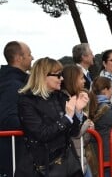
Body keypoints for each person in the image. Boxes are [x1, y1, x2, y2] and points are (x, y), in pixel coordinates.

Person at [16, 57, 88, 177]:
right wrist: (67, 118)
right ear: (44, 76)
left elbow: (73, 132)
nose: (62, 78)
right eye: (58, 75)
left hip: (68, 164)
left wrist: (78, 112)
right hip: (43, 166)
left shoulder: (60, 96)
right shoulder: (27, 101)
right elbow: (42, 134)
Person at [0, 41, 33, 177]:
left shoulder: (13, 81)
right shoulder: (13, 85)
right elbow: (8, 119)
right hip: (13, 157)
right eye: (29, 54)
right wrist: (35, 125)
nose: (32, 58)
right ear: (19, 58)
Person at [88, 77, 112, 177]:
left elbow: (108, 114)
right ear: (105, 90)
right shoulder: (105, 110)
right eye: (111, 89)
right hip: (110, 157)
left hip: (100, 156)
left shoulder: (94, 105)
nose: (111, 92)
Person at [62, 64, 94, 177]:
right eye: (81, 78)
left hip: (80, 155)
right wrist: (86, 123)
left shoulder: (76, 97)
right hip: (73, 158)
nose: (84, 81)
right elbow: (75, 131)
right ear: (72, 80)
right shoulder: (64, 100)